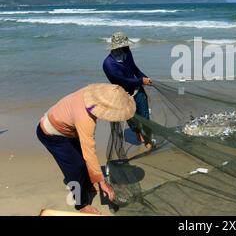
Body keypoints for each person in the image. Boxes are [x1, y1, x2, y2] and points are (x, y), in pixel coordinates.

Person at [36, 84, 136, 215]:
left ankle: (88, 184)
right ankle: (80, 204)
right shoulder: (85, 118)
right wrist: (102, 183)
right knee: (76, 167)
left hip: (67, 129)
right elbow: (89, 153)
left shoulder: (93, 92)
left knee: (82, 163)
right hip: (51, 135)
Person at [103, 32, 154, 150]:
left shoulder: (128, 53)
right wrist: (141, 81)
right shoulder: (108, 65)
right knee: (132, 119)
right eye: (125, 46)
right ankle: (137, 133)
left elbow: (135, 69)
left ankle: (148, 140)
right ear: (118, 47)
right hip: (123, 95)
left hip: (137, 90)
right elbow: (124, 81)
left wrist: (144, 78)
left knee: (145, 116)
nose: (128, 47)